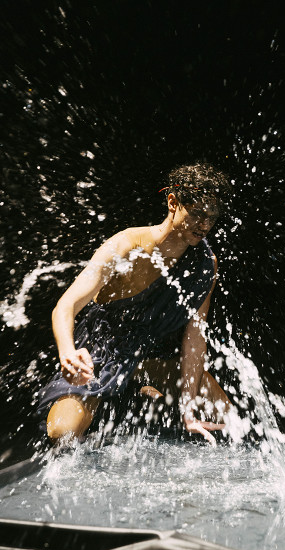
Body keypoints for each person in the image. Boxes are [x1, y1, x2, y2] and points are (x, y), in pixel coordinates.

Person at [36, 162, 232, 446]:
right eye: (198, 214)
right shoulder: (127, 244)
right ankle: (129, 395)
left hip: (149, 360)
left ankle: (140, 389)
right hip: (103, 356)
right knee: (62, 433)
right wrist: (68, 352)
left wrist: (189, 410)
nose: (205, 226)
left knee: (225, 414)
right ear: (173, 202)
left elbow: (195, 337)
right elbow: (66, 305)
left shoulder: (205, 264)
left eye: (212, 218)